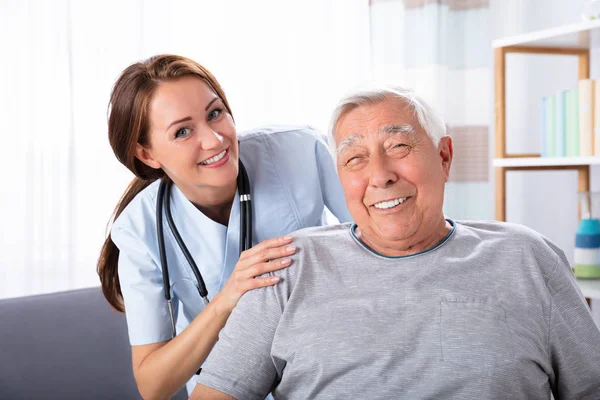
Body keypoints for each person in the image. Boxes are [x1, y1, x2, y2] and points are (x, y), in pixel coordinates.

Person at [191, 85, 600, 399]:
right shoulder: (289, 266)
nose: (380, 174)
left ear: (444, 157)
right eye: (355, 159)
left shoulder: (526, 256)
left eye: (398, 146)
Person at [96, 54, 352, 399]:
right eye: (183, 131)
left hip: (328, 364)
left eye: (215, 113)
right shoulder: (139, 230)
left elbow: (379, 238)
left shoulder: (299, 149)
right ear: (147, 155)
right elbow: (152, 384)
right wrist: (225, 300)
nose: (215, 140)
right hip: (225, 385)